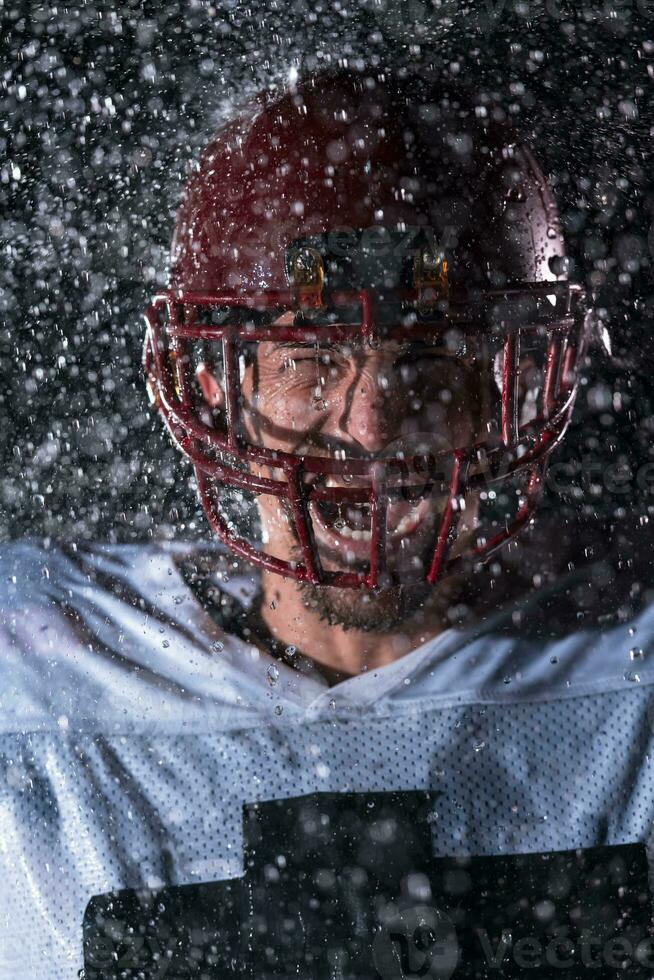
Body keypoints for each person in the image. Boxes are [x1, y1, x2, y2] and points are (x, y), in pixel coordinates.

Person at [2, 68, 654, 980]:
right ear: (214, 389)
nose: (374, 429)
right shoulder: (34, 674)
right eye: (314, 361)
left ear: (510, 389)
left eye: (427, 360)